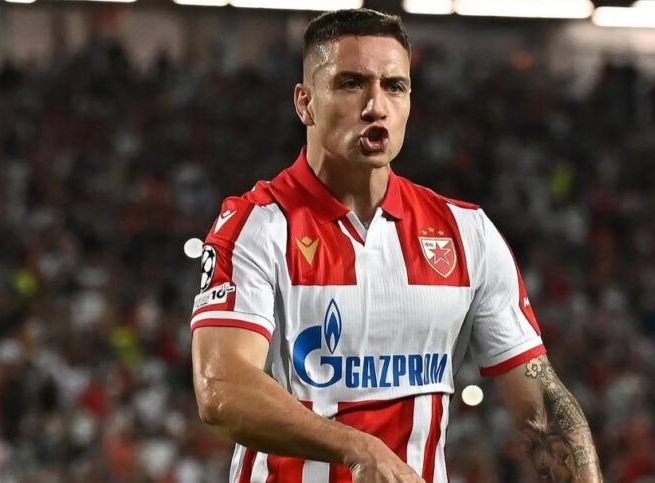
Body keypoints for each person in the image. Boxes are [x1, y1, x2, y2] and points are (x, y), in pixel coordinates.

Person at [190, 8, 602, 483]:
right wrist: (356, 448)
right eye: (351, 83)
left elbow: (540, 410)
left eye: (394, 86)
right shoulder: (258, 225)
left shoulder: (466, 232)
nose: (375, 105)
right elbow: (222, 388)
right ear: (305, 103)